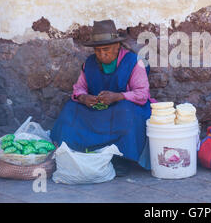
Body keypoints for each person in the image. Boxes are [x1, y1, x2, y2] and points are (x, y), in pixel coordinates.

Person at [50, 20, 155, 176]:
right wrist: (84, 98)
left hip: (122, 108)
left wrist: (118, 96)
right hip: (98, 110)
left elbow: (142, 94)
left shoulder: (134, 62)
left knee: (127, 112)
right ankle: (77, 152)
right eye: (97, 51)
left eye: (106, 49)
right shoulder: (90, 64)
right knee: (71, 109)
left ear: (117, 46)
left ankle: (120, 159)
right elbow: (79, 88)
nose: (101, 54)